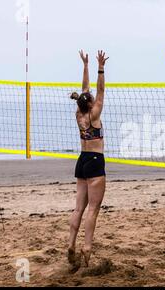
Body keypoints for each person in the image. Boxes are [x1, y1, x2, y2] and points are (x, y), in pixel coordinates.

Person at [67, 50, 109, 267]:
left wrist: (85, 65)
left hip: (81, 160)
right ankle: (87, 247)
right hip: (94, 160)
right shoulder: (93, 115)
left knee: (79, 208)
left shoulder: (79, 113)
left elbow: (86, 91)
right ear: (91, 104)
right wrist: (100, 68)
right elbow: (99, 91)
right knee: (93, 209)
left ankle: (71, 242)